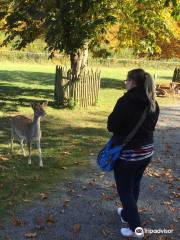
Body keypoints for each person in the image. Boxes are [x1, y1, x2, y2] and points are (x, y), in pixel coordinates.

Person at [107, 69, 159, 238]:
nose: (125, 83)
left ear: (132, 82)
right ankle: (127, 214)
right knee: (134, 185)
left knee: (125, 190)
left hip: (129, 155)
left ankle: (135, 228)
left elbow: (112, 126)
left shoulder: (125, 101)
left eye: (126, 80)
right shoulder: (153, 102)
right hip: (146, 152)